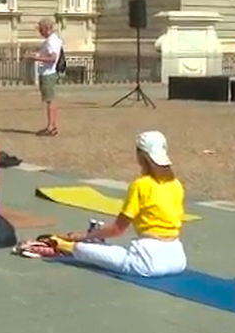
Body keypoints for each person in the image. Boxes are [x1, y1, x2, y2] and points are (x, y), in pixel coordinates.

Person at [47, 131, 187, 277]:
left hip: (148, 261)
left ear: (141, 155)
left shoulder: (141, 185)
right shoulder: (176, 185)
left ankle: (63, 246)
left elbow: (117, 230)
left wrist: (83, 237)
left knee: (86, 250)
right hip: (178, 259)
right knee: (115, 251)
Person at [25, 18, 62, 136]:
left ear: (47, 29)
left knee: (50, 101)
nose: (40, 32)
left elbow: (53, 58)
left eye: (41, 30)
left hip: (47, 73)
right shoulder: (54, 39)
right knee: (52, 100)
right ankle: (53, 125)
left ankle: (50, 127)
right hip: (49, 72)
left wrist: (36, 58)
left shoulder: (51, 41)